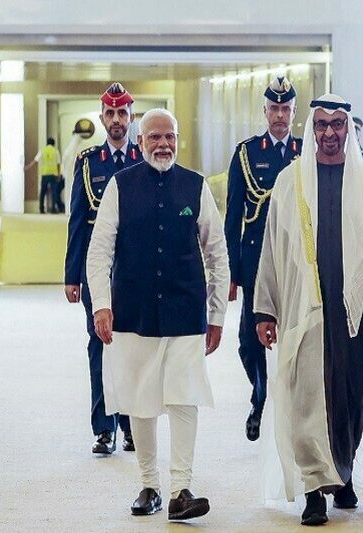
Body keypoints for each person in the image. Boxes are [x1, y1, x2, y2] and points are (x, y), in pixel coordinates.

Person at [254, 94, 363, 526]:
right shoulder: (290, 181)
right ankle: (314, 488)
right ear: (312, 129)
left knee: (350, 396)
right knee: (307, 395)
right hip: (305, 311)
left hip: (356, 313)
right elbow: (271, 248)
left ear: (348, 129)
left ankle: (342, 473)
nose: (329, 133)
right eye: (322, 125)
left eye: (337, 125)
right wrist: (265, 310)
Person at [86, 108, 229, 521]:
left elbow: (217, 253)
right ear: (140, 141)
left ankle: (181, 490)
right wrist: (102, 305)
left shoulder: (195, 186)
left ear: (178, 140)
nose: (163, 144)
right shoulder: (120, 185)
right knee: (141, 400)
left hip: (185, 310)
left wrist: (217, 314)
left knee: (185, 397)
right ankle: (149, 485)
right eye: (154, 137)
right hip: (133, 312)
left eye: (170, 137)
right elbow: (99, 251)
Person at [64, 82, 143, 455]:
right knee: (99, 343)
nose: (116, 120)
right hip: (96, 269)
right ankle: (103, 428)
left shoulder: (143, 158)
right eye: (110, 113)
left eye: (122, 113)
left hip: (134, 269)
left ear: (131, 116)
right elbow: (77, 220)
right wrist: (71, 275)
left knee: (131, 346)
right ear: (101, 118)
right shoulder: (88, 162)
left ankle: (130, 425)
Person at [224, 76, 302, 441]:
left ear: (294, 112)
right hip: (255, 259)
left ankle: (293, 403)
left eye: (286, 109)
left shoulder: (306, 152)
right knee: (249, 339)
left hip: (298, 260)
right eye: (274, 109)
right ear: (264, 111)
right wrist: (230, 272)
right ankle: (260, 397)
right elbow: (233, 217)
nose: (280, 115)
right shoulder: (247, 153)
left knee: (298, 332)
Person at [25, 137, 61, 214]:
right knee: (53, 192)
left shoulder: (43, 150)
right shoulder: (56, 151)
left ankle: (41, 209)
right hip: (53, 174)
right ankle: (53, 209)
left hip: (44, 174)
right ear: (53, 144)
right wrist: (58, 174)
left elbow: (35, 160)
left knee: (43, 192)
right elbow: (58, 163)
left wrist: (28, 167)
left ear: (47, 143)